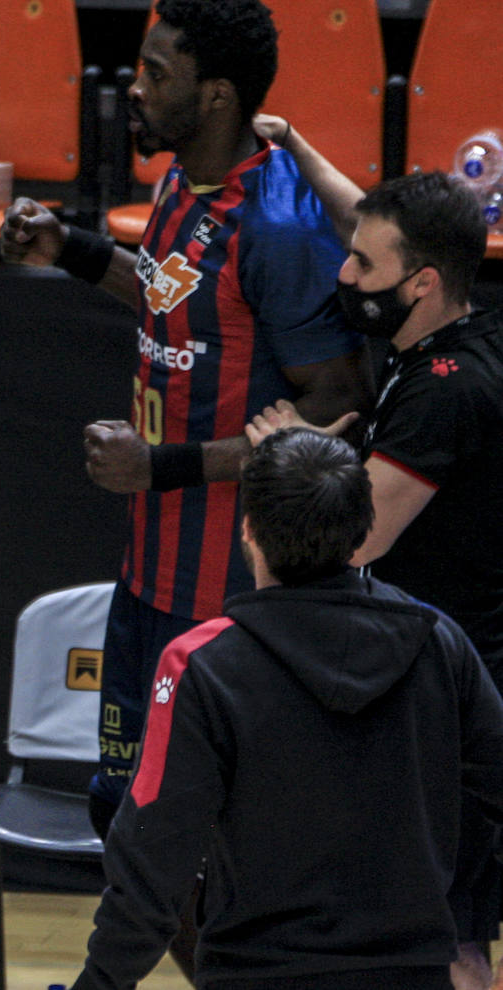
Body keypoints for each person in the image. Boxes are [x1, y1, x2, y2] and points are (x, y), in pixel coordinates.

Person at [0, 0, 369, 839]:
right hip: (149, 572)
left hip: (233, 595)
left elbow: (339, 398)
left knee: (212, 836)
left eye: (156, 74)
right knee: (125, 815)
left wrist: (159, 467)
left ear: (216, 97)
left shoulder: (277, 222)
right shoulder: (180, 181)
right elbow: (176, 298)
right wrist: (71, 248)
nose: (133, 87)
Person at [73, 427, 503, 990]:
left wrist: (101, 981)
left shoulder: (201, 663)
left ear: (248, 530)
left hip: (258, 974)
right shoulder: (437, 642)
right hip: (412, 974)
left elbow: (154, 856)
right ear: (363, 531)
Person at [247, 170, 503, 989]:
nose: (344, 277)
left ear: (422, 282)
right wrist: (296, 146)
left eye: (361, 265)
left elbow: (352, 542)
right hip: (455, 668)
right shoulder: (460, 335)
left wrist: (290, 456)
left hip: (455, 696)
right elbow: (379, 215)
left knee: (450, 934)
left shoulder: (442, 395)